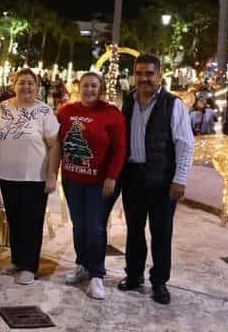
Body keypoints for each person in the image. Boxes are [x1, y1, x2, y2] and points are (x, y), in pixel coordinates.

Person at [118, 54, 194, 305]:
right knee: (134, 231)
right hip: (133, 177)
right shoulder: (128, 101)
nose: (143, 78)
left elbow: (185, 145)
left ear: (160, 76)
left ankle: (159, 282)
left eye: (149, 73)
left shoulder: (174, 105)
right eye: (139, 73)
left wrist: (179, 179)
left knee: (161, 233)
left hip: (162, 181)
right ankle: (134, 276)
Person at [57, 72, 127, 300]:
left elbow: (120, 149)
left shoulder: (111, 114)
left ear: (101, 88)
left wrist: (112, 177)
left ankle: (97, 273)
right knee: (79, 226)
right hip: (72, 180)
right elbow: (56, 142)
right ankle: (82, 265)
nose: (89, 90)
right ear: (79, 87)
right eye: (86, 85)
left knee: (95, 227)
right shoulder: (66, 111)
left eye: (94, 86)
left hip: (100, 183)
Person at [0, 68, 60, 285]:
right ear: (14, 85)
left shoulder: (44, 111)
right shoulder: (3, 108)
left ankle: (30, 266)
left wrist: (51, 175)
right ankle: (17, 261)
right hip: (8, 175)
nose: (26, 87)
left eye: (31, 83)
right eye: (22, 82)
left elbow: (55, 144)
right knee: (15, 219)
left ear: (37, 86)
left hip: (35, 177)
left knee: (32, 222)